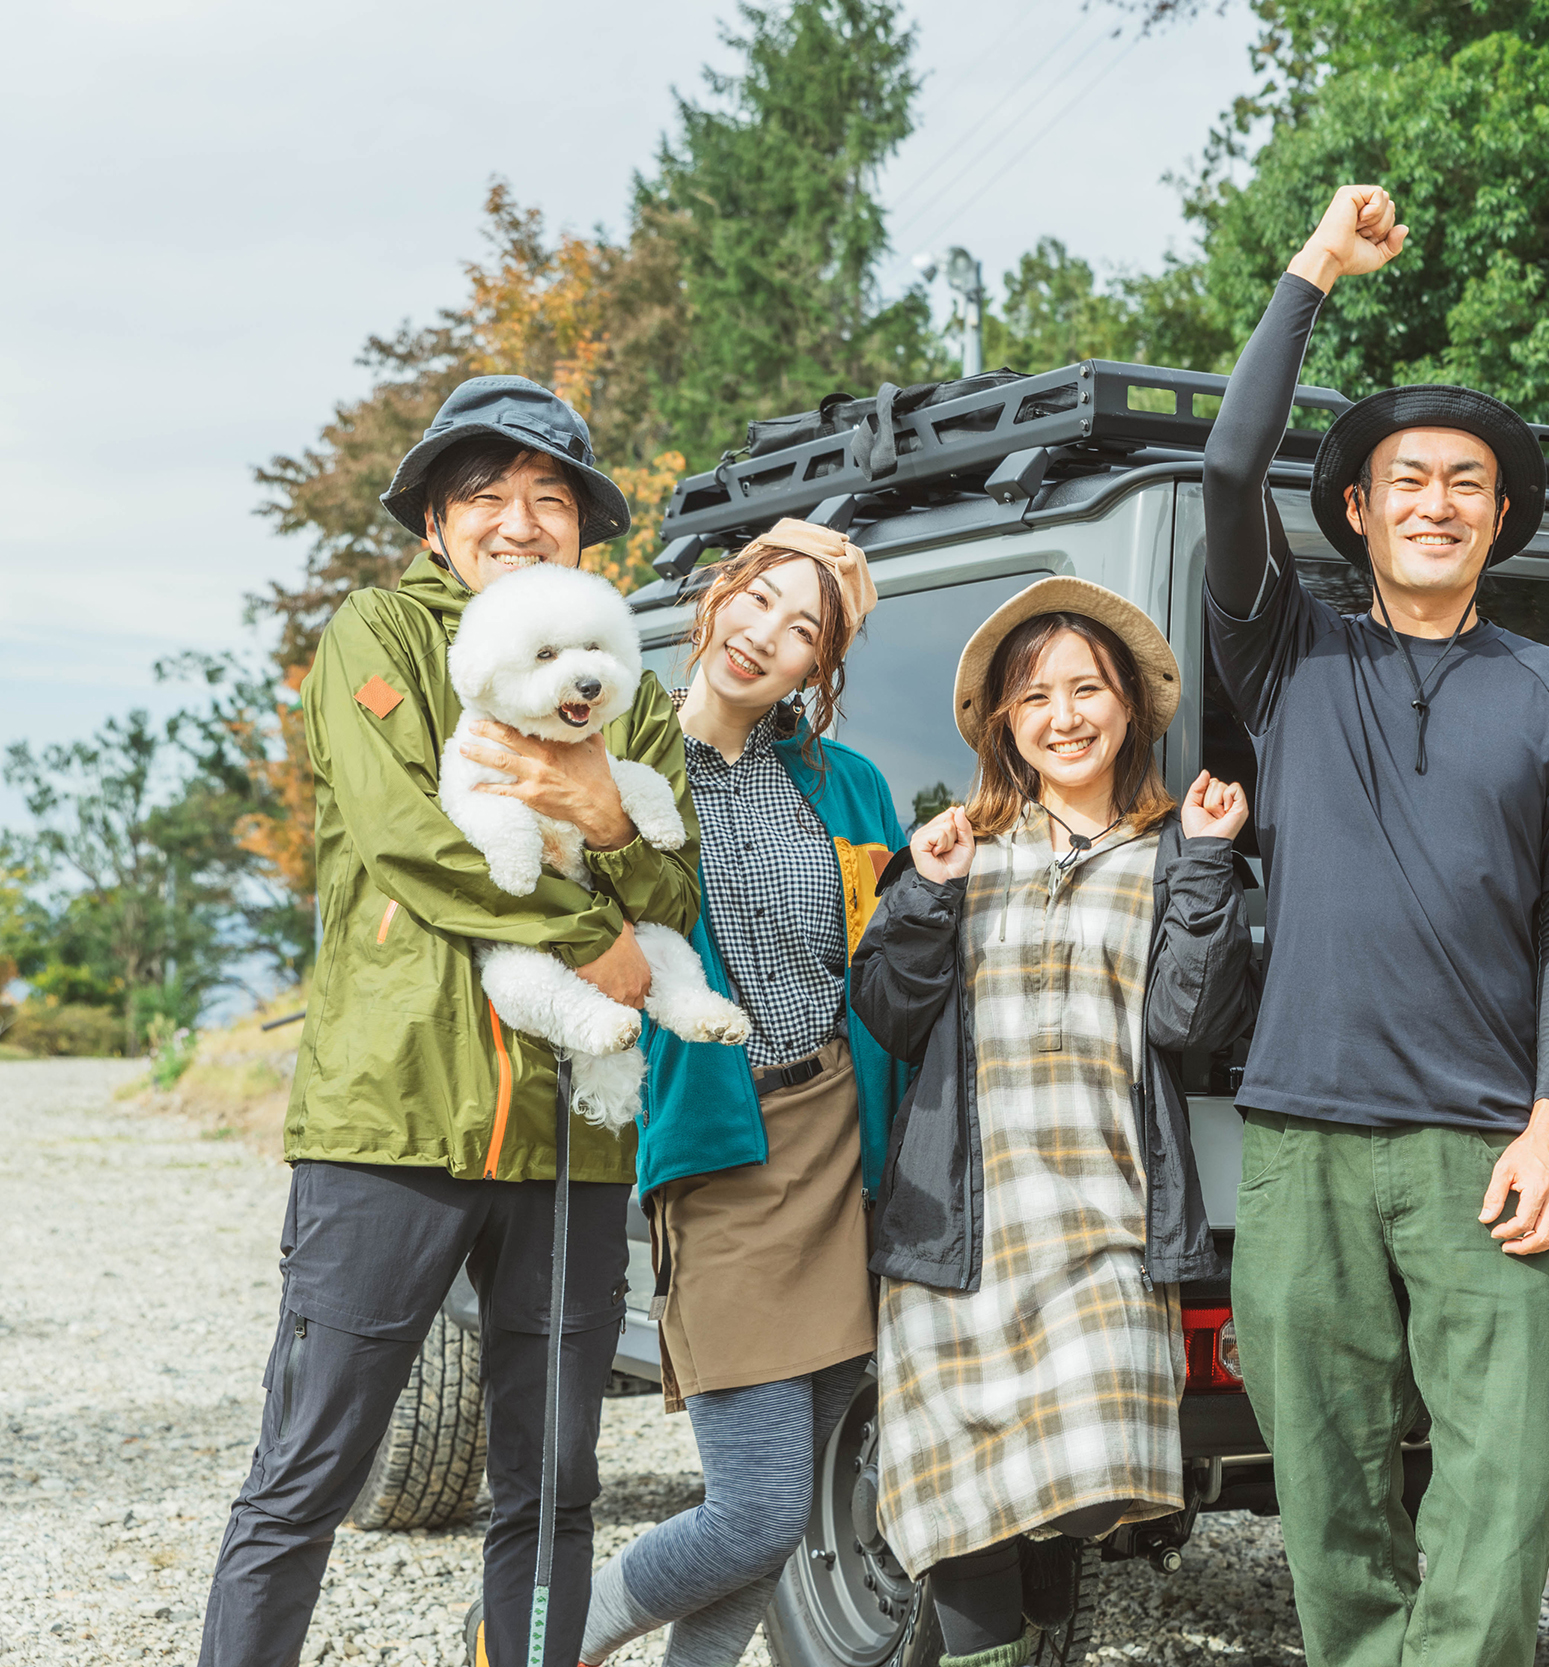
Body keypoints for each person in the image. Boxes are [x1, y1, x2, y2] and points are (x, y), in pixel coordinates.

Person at [1202, 184, 1549, 1667]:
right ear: (1359, 509)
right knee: (1328, 1507)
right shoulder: (1289, 659)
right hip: (1304, 1140)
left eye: (1468, 481)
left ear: (1499, 514)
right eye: (1409, 480)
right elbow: (1222, 465)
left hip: (1483, 1147)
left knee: (1503, 1492)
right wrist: (1313, 269)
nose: (1439, 500)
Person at [197, 377, 698, 1667]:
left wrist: (602, 824)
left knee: (553, 1480)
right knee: (307, 1471)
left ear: (587, 531)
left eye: (551, 498)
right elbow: (409, 838)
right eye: (485, 495)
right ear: (434, 521)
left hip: (565, 1136)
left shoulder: (625, 683)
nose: (519, 521)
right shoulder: (377, 633)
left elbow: (672, 884)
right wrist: (593, 934)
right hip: (391, 1113)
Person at [850, 577, 1255, 1667]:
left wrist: (1212, 865)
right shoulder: (956, 846)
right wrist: (926, 894)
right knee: (969, 1497)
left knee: (1080, 1481)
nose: (1063, 715)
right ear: (1004, 725)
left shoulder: (1175, 850)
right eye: (1035, 698)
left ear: (1129, 707)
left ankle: (1036, 1637)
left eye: (1088, 690)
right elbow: (889, 1015)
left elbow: (1188, 1018)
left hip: (1105, 1217)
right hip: (960, 1224)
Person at [574, 518, 909, 1666]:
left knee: (779, 1515)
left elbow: (893, 966)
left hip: (841, 1144)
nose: (768, 635)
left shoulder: (849, 786)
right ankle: (538, 1638)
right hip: (719, 1141)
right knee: (754, 1507)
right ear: (717, 600)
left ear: (822, 669)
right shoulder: (613, 761)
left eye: (805, 628)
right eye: (760, 602)